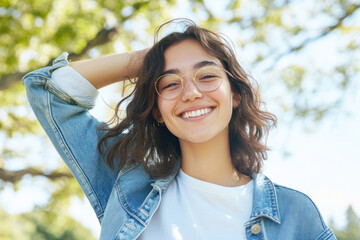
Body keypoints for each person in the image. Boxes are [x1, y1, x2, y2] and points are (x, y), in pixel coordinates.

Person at [23, 19, 336, 240]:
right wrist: (147, 61)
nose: (190, 93)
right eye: (171, 83)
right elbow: (48, 91)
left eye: (208, 76)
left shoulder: (296, 214)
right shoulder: (128, 186)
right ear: (158, 110)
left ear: (235, 95)